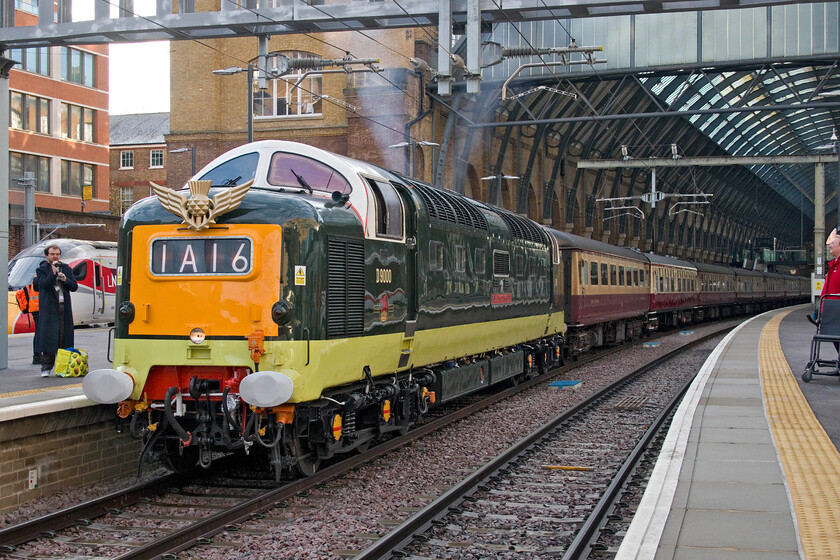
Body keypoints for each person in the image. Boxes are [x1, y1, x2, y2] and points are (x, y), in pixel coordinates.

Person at [33, 245, 78, 377]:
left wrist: (66, 279)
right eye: (52, 254)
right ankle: (46, 367)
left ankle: (63, 366)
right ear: (46, 256)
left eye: (57, 254)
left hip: (64, 307)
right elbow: (43, 285)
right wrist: (53, 274)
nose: (55, 257)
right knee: (49, 337)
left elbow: (74, 286)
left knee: (64, 336)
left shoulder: (66, 268)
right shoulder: (41, 270)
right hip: (49, 308)